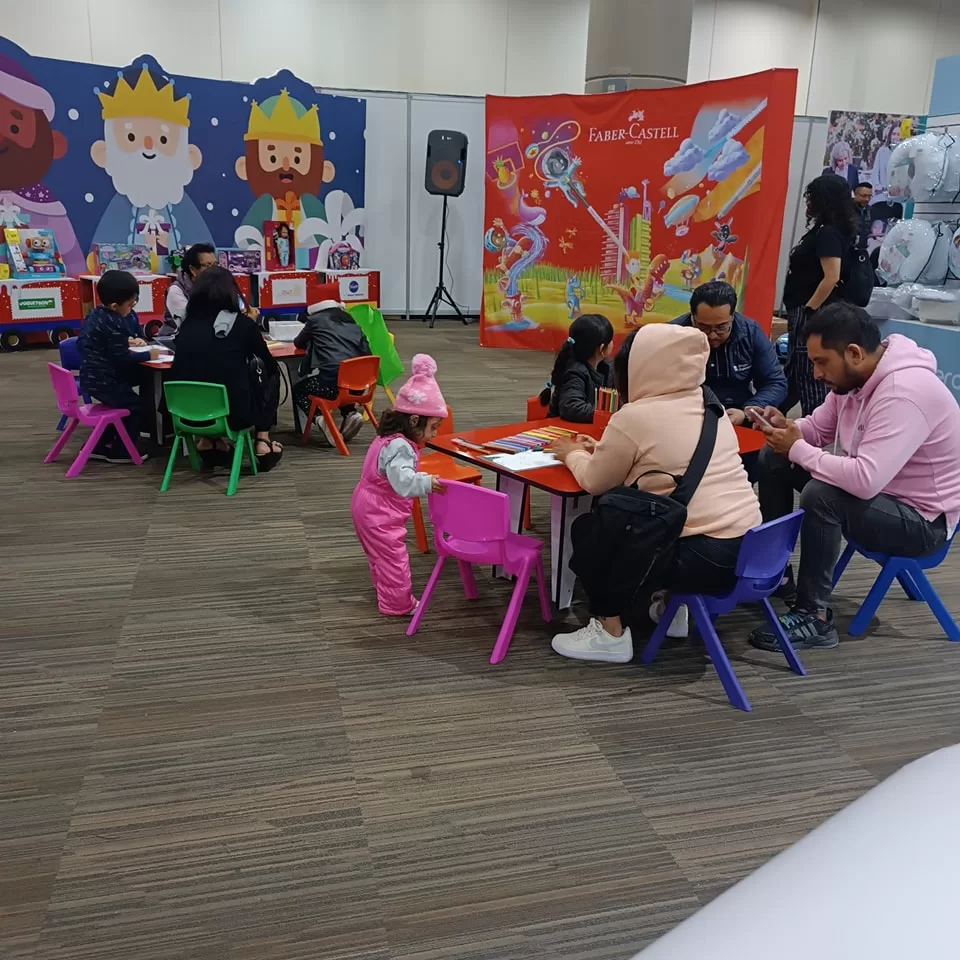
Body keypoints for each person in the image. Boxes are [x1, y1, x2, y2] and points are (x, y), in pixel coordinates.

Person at [749, 303, 960, 652]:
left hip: (923, 523)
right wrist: (788, 427)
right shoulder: (855, 381)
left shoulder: (904, 392)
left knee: (822, 495)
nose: (816, 373)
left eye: (822, 362)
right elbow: (818, 428)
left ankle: (814, 617)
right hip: (884, 498)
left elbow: (865, 480)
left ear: (854, 353)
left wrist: (797, 448)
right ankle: (777, 574)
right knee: (775, 457)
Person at [548, 324, 762, 663]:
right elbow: (669, 457)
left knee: (591, 529)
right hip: (749, 546)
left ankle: (609, 632)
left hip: (700, 559)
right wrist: (605, 448)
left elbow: (594, 481)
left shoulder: (636, 416)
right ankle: (671, 610)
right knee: (664, 519)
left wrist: (571, 453)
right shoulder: (710, 405)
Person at [351, 355, 448, 617]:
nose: (435, 434)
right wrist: (427, 482)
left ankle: (385, 591)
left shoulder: (389, 437)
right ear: (414, 420)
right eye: (433, 427)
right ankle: (397, 604)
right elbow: (403, 483)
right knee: (393, 559)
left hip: (367, 504)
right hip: (379, 512)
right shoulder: (401, 447)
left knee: (380, 555)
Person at [171, 266, 283, 470]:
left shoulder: (186, 325)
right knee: (272, 375)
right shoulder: (242, 325)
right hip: (233, 415)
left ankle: (209, 441)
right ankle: (262, 441)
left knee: (203, 375)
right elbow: (268, 363)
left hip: (184, 415)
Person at [782, 174, 858, 417]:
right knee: (795, 370)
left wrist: (809, 309)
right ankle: (769, 415)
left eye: (811, 197)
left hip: (813, 311)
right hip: (807, 309)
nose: (807, 202)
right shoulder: (826, 231)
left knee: (810, 373)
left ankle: (815, 428)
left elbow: (831, 276)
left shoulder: (828, 234)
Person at [672, 280, 787, 427]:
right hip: (687, 415)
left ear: (733, 317)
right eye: (704, 327)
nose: (712, 335)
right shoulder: (673, 336)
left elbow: (775, 382)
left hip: (739, 412)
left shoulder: (750, 333)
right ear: (692, 317)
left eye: (721, 327)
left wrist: (748, 412)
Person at [78, 270, 148, 464]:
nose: (132, 308)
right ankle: (122, 451)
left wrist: (130, 340)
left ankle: (98, 445)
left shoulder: (97, 314)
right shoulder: (113, 323)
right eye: (130, 304)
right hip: (104, 380)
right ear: (115, 306)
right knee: (135, 406)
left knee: (120, 405)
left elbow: (110, 344)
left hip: (93, 377)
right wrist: (148, 355)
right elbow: (121, 357)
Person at [293, 300, 372, 446]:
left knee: (299, 389)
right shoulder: (352, 322)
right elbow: (367, 353)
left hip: (331, 384)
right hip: (359, 386)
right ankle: (351, 413)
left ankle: (321, 419)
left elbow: (298, 342)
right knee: (342, 381)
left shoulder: (315, 320)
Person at [538, 313, 614, 422]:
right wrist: (608, 414)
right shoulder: (574, 372)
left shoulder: (605, 367)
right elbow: (572, 408)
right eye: (610, 340)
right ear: (602, 349)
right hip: (563, 429)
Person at [160, 242, 217, 335]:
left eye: (215, 265)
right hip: (175, 339)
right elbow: (190, 323)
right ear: (192, 269)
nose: (214, 270)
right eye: (208, 265)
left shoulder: (218, 286)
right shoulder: (176, 290)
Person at [854, 181, 873, 250]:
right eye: (864, 196)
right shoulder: (847, 210)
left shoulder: (870, 210)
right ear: (855, 195)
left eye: (869, 196)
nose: (867, 199)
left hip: (864, 249)